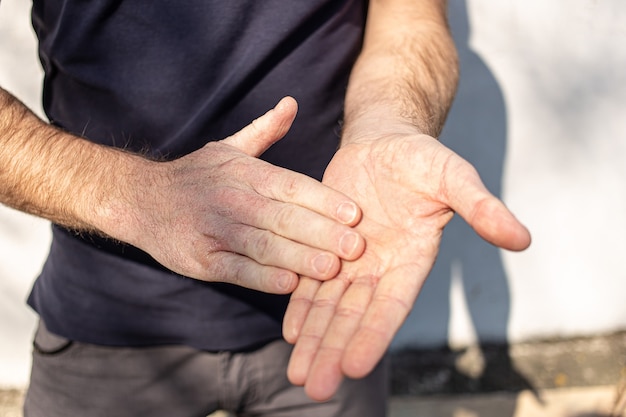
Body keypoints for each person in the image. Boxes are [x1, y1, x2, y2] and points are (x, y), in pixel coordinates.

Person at [0, 0, 530, 416]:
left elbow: (409, 13)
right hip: (105, 323)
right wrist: (135, 197)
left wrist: (388, 122)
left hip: (333, 299)